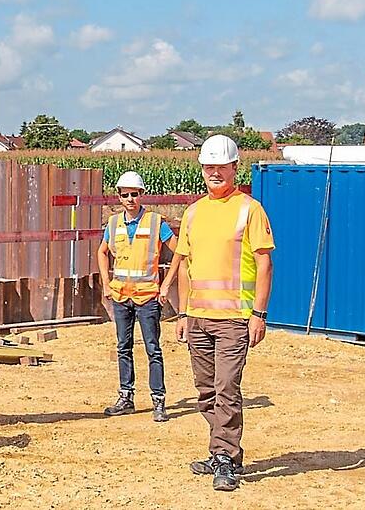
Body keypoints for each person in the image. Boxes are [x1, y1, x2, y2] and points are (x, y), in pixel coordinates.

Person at [159, 134, 275, 492]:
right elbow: (185, 265)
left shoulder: (249, 210)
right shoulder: (194, 212)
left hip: (234, 319)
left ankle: (223, 456)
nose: (214, 173)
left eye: (220, 166)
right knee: (206, 391)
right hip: (197, 318)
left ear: (234, 168)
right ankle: (224, 451)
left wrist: (259, 313)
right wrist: (182, 315)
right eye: (208, 167)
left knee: (227, 388)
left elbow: (265, 263)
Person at [97, 171, 177, 422]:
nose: (130, 199)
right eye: (125, 195)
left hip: (148, 297)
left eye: (134, 194)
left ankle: (158, 401)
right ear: (119, 197)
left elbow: (180, 252)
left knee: (153, 349)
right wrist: (106, 283)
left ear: (142, 194)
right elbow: (102, 252)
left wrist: (166, 286)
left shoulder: (156, 222)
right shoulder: (113, 224)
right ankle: (126, 397)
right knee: (124, 347)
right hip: (121, 296)